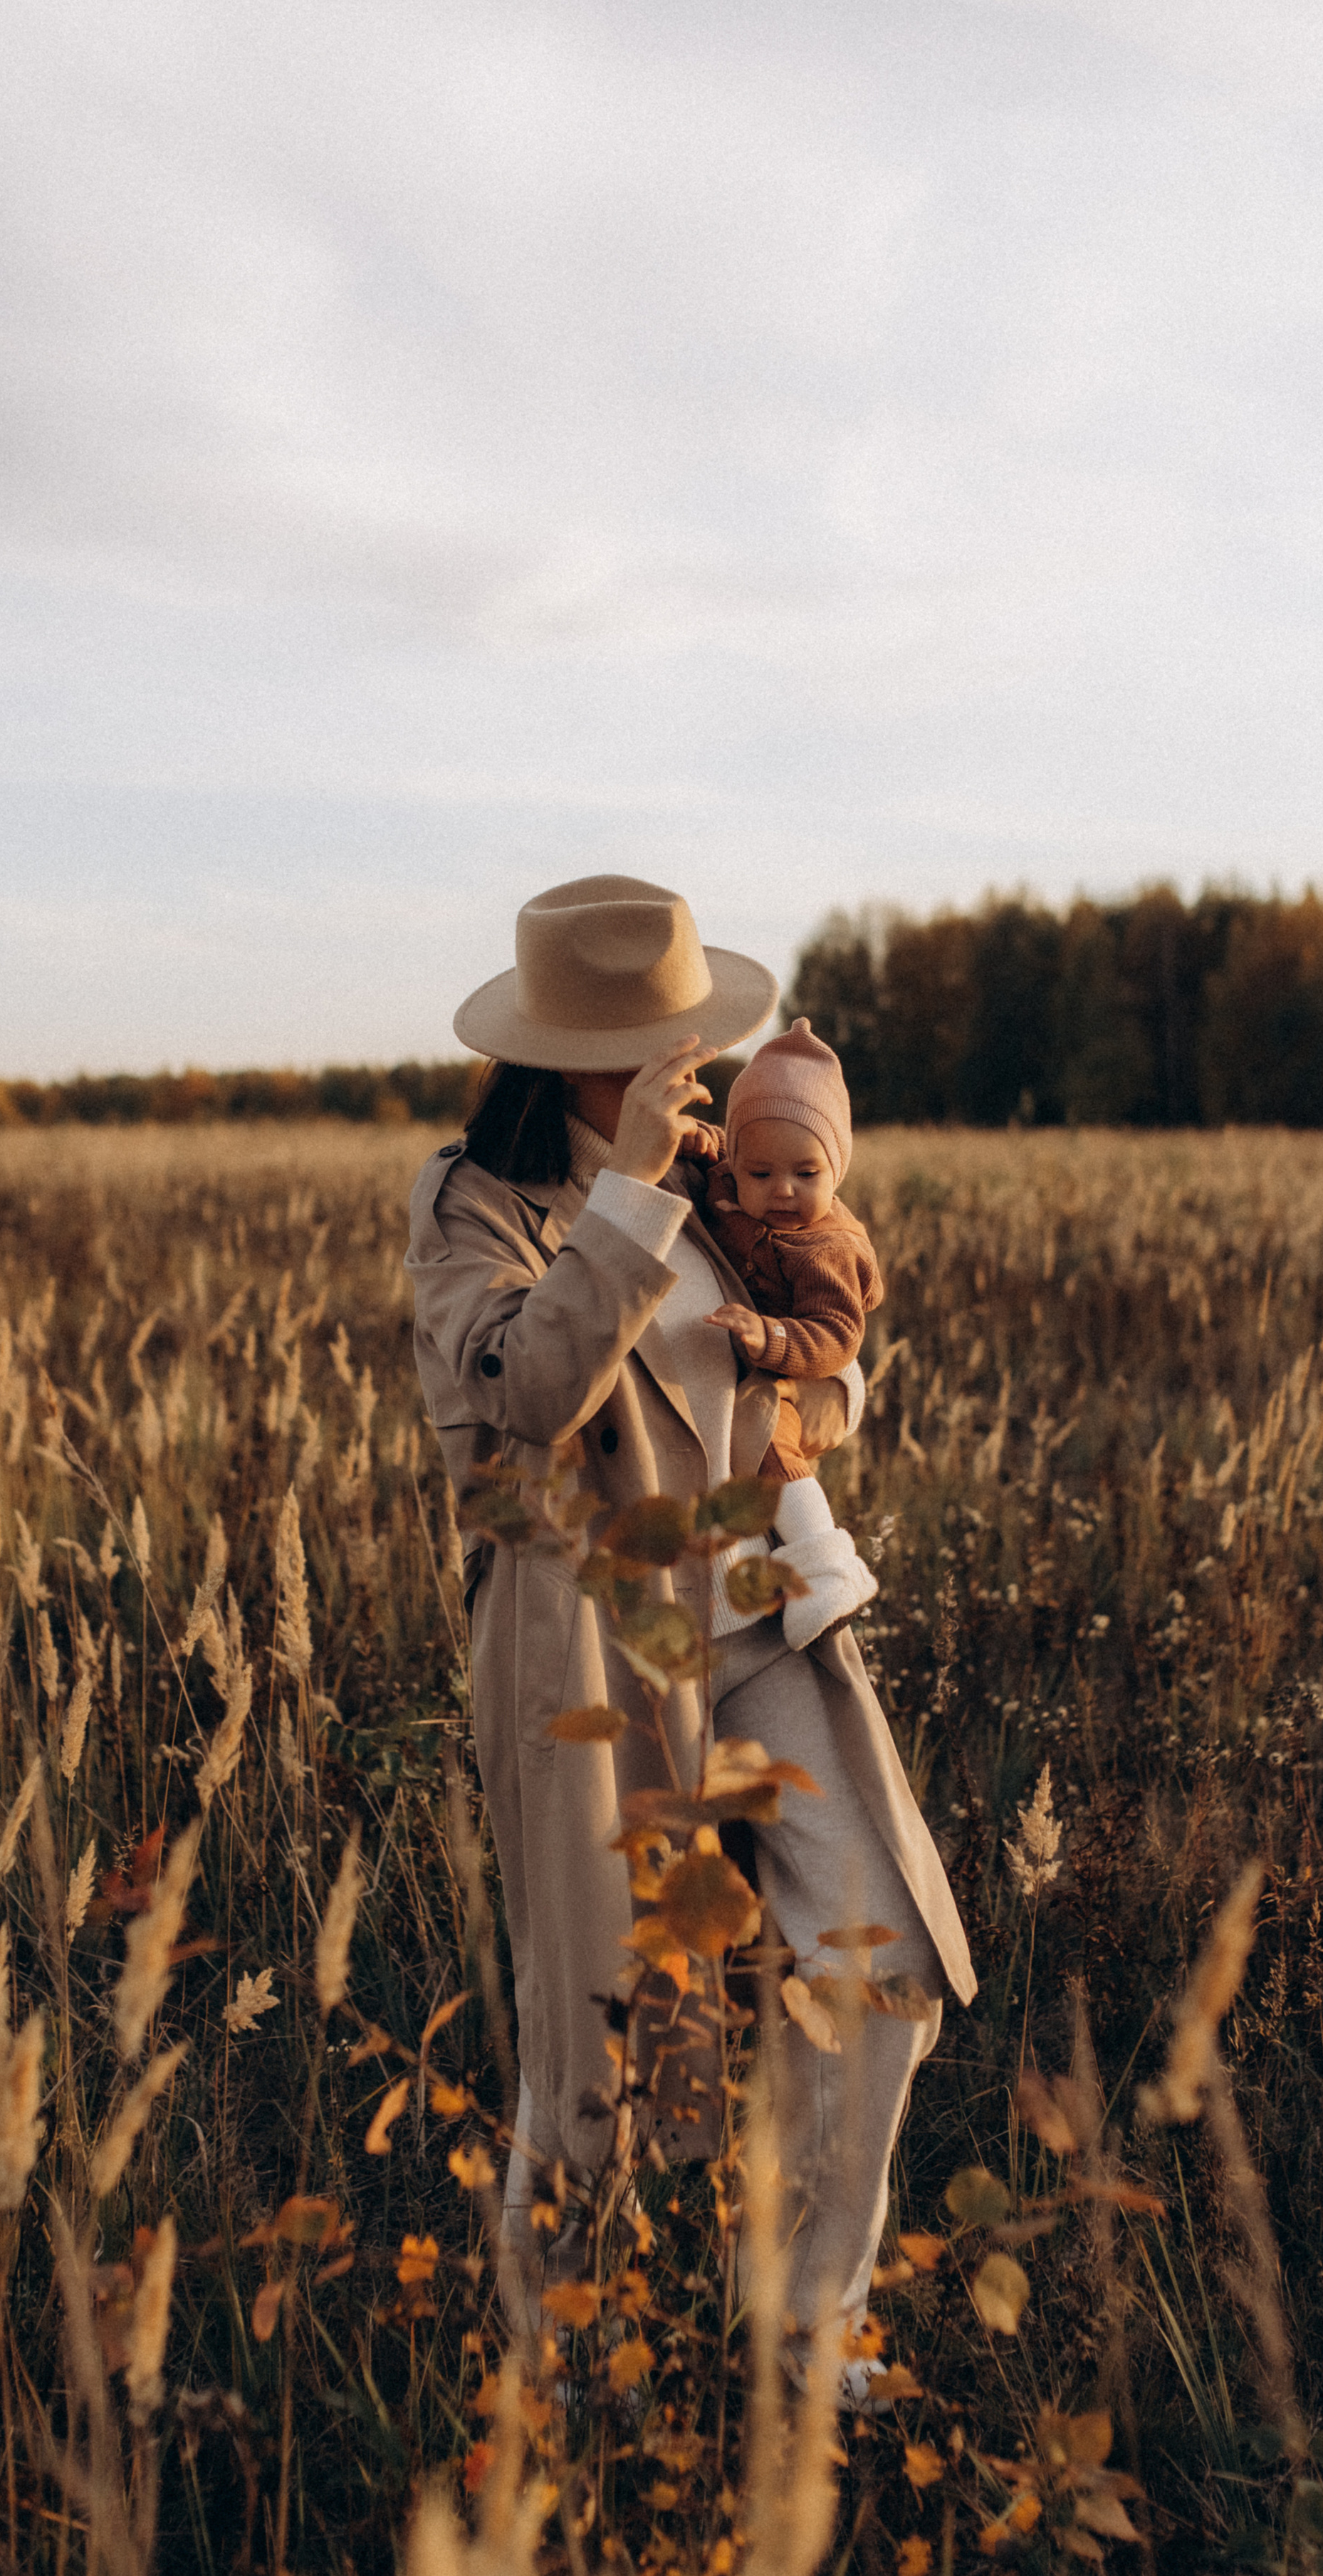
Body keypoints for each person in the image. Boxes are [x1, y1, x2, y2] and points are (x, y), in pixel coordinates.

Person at [404, 873, 975, 2380]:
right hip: (593, 1647)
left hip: (761, 1622)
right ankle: (563, 2370)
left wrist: (814, 1390)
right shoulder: (478, 1203)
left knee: (882, 1959)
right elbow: (524, 1399)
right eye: (668, 1039)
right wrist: (633, 1198)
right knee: (591, 2036)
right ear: (580, 1059)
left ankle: (800, 2328)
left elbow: (832, 1336)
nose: (700, 1061)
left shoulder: (735, 1173)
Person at [686, 1017, 882, 1627]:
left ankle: (823, 1568)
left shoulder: (825, 1249)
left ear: (836, 1168)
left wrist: (769, 1338)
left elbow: (835, 1336)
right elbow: (725, 1146)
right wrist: (693, 1140)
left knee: (769, 1433)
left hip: (795, 1362)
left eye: (807, 1174)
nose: (783, 1192)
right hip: (760, 1359)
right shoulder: (733, 1172)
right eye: (762, 1174)